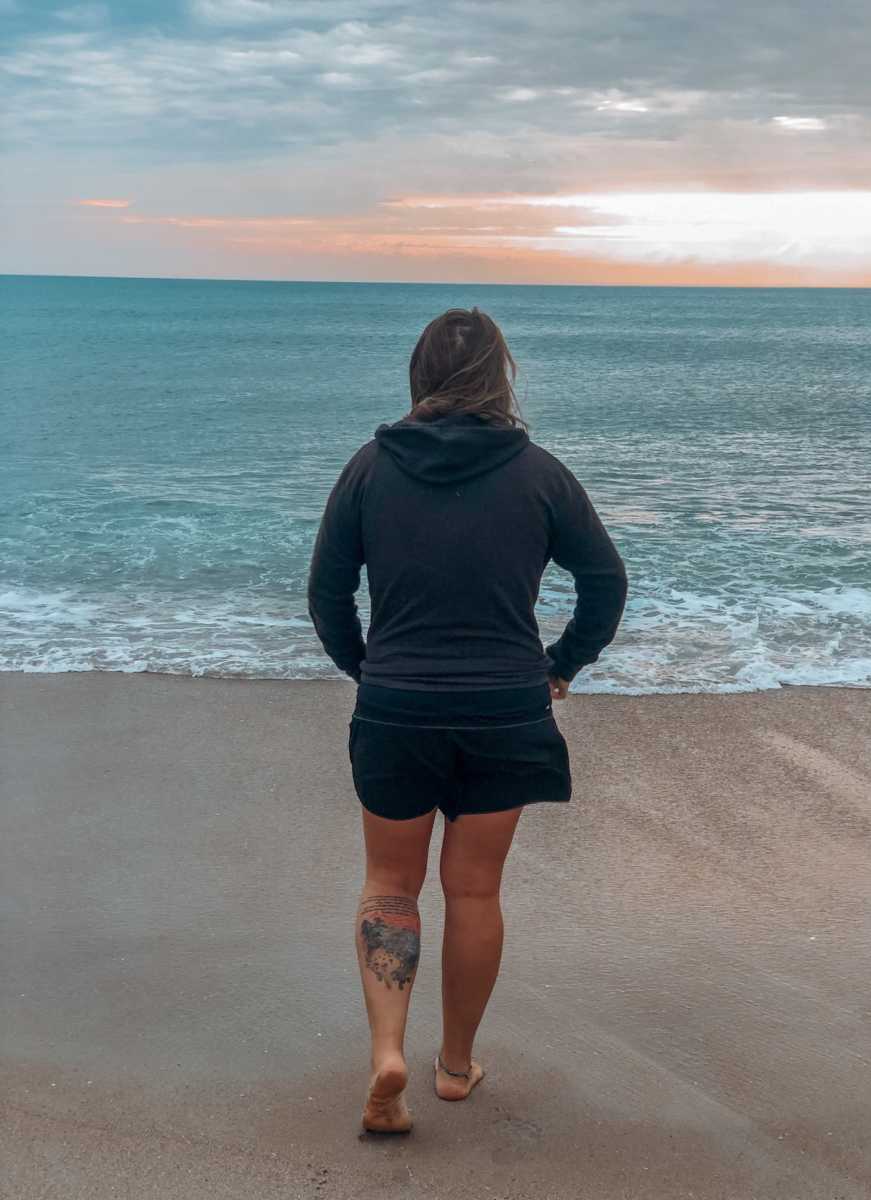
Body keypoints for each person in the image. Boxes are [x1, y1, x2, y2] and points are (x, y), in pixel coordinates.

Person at [307, 307, 627, 1134]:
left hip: (398, 709)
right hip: (502, 710)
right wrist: (562, 664)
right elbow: (607, 581)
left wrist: (368, 670)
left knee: (390, 886)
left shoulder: (370, 470)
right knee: (475, 888)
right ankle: (454, 1066)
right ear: (500, 378)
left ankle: (387, 1054)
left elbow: (325, 593)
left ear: (419, 376)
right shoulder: (541, 475)